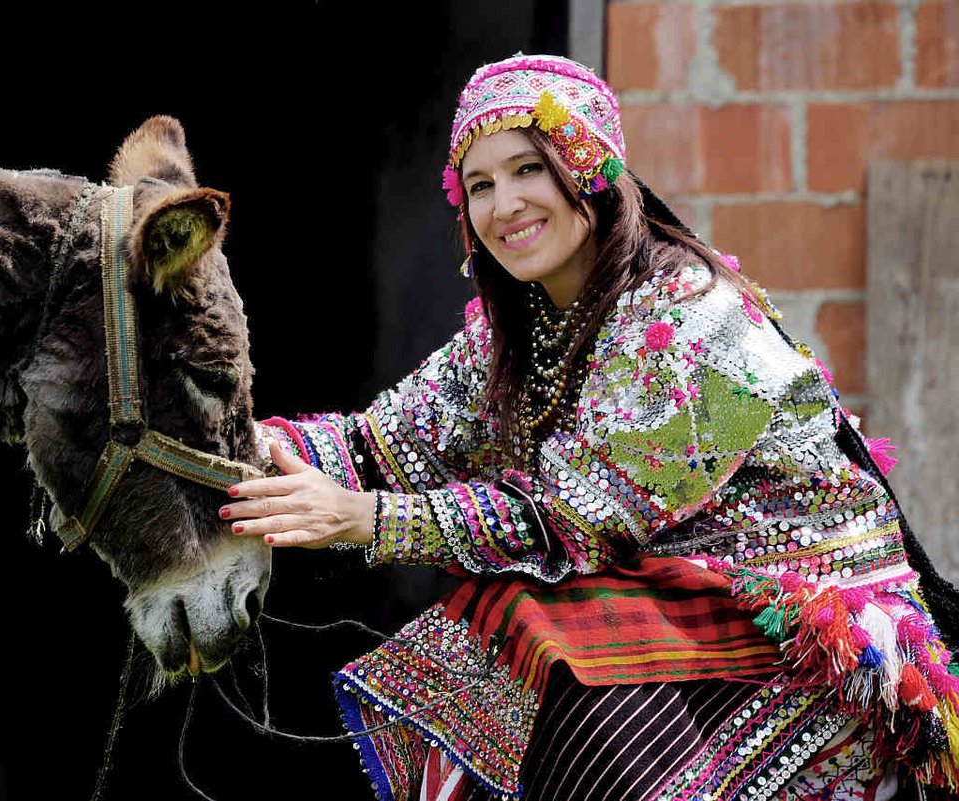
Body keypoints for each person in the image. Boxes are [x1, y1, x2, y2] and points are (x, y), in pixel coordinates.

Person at [220, 54, 959, 801]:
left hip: (812, 632)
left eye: (527, 170)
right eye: (480, 185)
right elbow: (375, 448)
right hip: (678, 605)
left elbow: (567, 524)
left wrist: (362, 519)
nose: (503, 203)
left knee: (517, 621)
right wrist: (217, 448)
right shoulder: (518, 333)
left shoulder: (695, 322)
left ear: (589, 167)